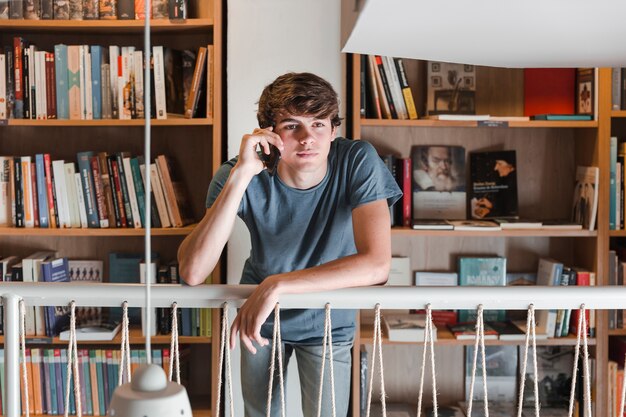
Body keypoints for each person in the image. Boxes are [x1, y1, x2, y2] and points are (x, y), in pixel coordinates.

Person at [177, 72, 402, 417]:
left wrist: (277, 285)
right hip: (261, 319)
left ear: (333, 129)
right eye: (292, 125)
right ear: (268, 133)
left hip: (328, 317)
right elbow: (193, 271)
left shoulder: (357, 159)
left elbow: (377, 266)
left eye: (318, 124)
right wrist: (241, 175)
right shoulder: (240, 172)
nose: (307, 138)